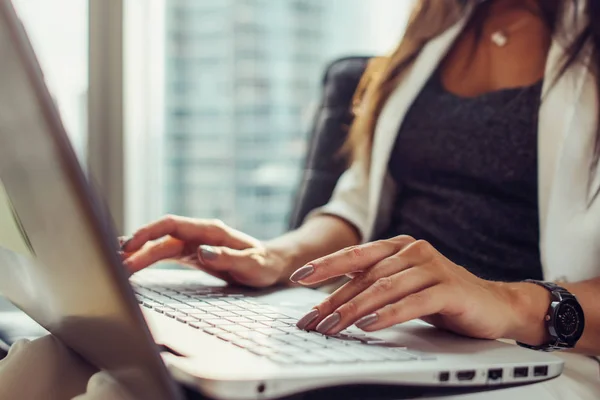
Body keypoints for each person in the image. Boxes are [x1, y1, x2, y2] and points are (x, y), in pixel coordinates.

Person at [119, 0, 600, 397]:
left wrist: (509, 303)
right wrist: (274, 256)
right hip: (388, 331)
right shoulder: (435, 25)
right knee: (135, 376)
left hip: (533, 353)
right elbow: (355, 208)